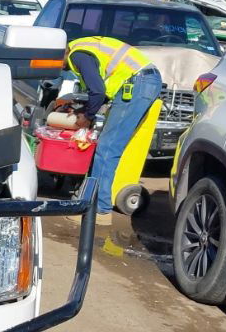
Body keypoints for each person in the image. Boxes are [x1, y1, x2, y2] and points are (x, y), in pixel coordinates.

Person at [57, 36, 163, 225]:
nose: (58, 68)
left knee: (107, 148)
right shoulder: (83, 48)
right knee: (109, 146)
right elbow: (103, 91)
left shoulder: (78, 55)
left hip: (137, 84)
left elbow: (97, 91)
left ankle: (99, 210)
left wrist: (87, 117)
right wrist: (84, 110)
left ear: (61, 53)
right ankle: (96, 202)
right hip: (142, 81)